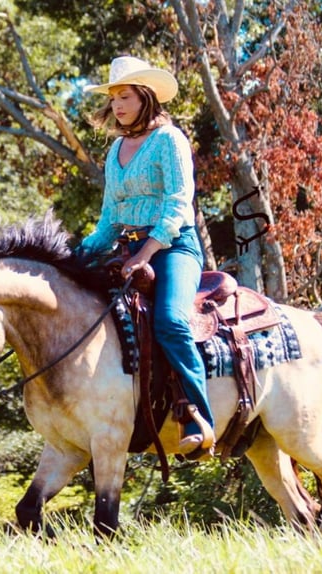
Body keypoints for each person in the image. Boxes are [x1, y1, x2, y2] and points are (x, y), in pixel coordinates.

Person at [78, 55, 215, 455]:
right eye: (114, 97)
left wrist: (148, 252)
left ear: (146, 98)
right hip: (128, 248)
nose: (117, 105)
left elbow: (178, 204)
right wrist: (73, 256)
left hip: (174, 247)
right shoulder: (115, 150)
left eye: (125, 96)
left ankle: (197, 414)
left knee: (170, 320)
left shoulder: (169, 140)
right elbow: (108, 221)